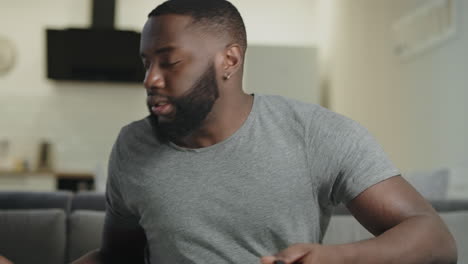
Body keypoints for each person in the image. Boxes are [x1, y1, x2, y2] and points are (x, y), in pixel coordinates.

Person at [73, 0, 457, 263]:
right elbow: (119, 258)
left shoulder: (314, 133)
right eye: (146, 63)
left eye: (169, 62)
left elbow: (435, 239)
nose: (150, 79)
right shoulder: (132, 145)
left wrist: (336, 258)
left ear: (230, 60)